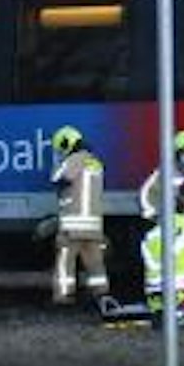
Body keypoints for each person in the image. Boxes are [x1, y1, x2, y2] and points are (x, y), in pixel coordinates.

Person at [48, 125, 119, 319]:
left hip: (72, 225)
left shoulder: (73, 161)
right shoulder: (95, 163)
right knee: (95, 263)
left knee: (65, 262)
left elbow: (57, 178)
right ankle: (101, 294)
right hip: (94, 225)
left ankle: (64, 297)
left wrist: (58, 166)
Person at [137, 127, 184, 219]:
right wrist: (151, 211)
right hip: (170, 223)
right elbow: (145, 194)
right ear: (176, 155)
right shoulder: (165, 172)